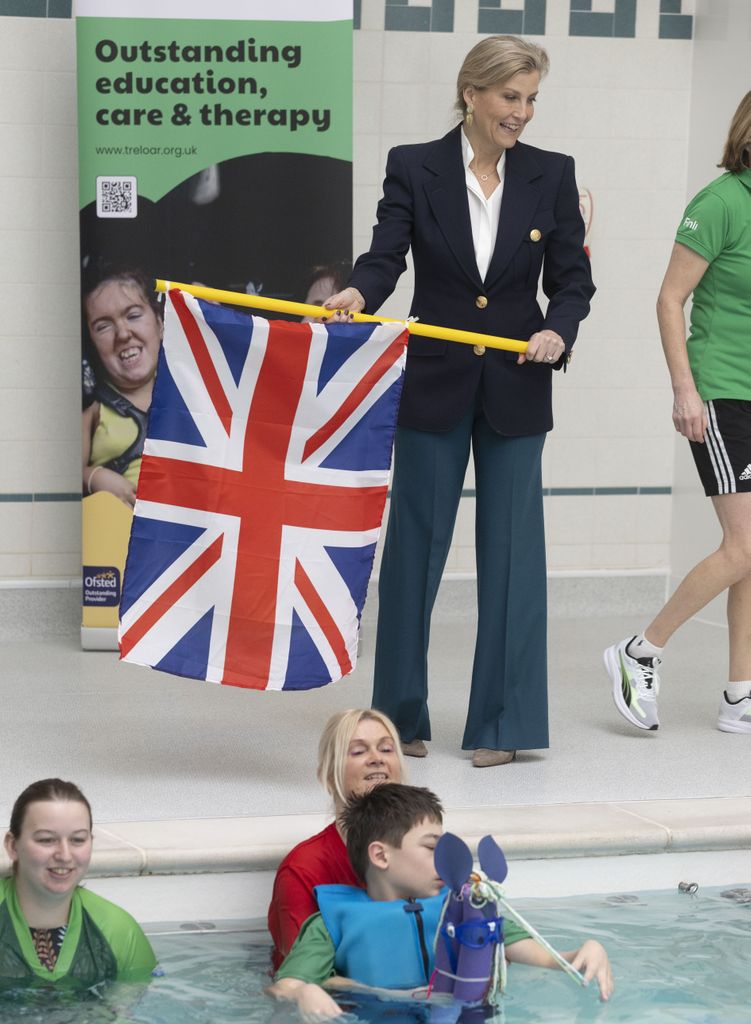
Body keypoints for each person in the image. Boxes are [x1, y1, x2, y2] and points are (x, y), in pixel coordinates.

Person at [323, 36, 595, 768]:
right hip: (436, 380)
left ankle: (502, 724)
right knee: (414, 553)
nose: (522, 113)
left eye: (531, 99)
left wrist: (555, 329)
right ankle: (400, 717)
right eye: (511, 97)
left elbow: (572, 281)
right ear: (471, 93)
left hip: (516, 383)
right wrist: (357, 291)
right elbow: (386, 254)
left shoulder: (551, 175)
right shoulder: (413, 165)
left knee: (512, 557)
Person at [604, 92, 751, 736]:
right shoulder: (720, 202)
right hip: (722, 391)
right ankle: (642, 650)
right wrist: (684, 389)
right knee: (745, 544)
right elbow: (669, 300)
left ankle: (741, 693)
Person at [267, 784, 613, 1018]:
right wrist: (303, 994)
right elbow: (286, 985)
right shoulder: (332, 922)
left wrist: (580, 954)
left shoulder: (462, 906)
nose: (448, 859)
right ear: (381, 856)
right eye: (433, 848)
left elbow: (518, 945)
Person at [267, 709, 405, 970]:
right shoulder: (303, 869)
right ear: (328, 776)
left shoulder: (426, 856)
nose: (377, 759)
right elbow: (302, 983)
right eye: (358, 751)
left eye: (386, 749)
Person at [1, 778, 157, 987]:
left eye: (77, 840)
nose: (65, 855)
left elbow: (135, 1011)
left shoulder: (118, 931)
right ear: (12, 846)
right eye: (46, 839)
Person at [81, 266, 163, 508]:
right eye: (103, 326)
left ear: (159, 322)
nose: (123, 334)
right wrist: (93, 478)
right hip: (120, 534)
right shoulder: (92, 409)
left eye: (134, 315)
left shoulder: (193, 387)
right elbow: (57, 478)